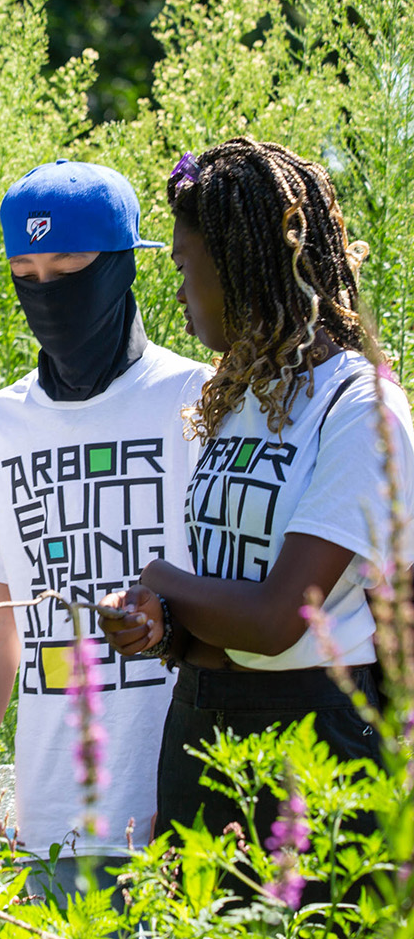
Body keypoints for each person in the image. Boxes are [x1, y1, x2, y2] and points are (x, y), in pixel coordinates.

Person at [102, 138, 414, 846]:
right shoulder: (242, 398)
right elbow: (225, 594)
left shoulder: (359, 408)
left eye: (188, 268)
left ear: (244, 267)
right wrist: (159, 623)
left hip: (317, 743)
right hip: (207, 724)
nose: (178, 293)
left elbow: (280, 619)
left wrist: (158, 580)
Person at [0, 160, 211, 897]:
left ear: (122, 266)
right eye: (24, 272)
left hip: (184, 806)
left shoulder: (200, 400)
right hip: (50, 816)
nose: (45, 291)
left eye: (67, 268)